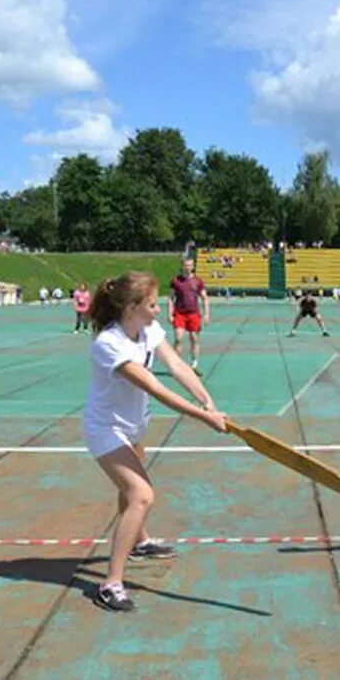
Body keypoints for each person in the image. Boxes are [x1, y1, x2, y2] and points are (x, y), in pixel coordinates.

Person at [83, 271, 228, 612]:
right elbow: (154, 387)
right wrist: (204, 417)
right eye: (151, 304)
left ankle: (140, 542)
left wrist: (207, 399)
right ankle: (111, 583)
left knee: (129, 489)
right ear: (132, 307)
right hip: (105, 429)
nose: (159, 310)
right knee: (141, 494)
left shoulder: (147, 330)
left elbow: (176, 365)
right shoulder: (109, 344)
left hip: (133, 425)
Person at [168, 257, 209, 376]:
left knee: (194, 338)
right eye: (186, 265)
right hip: (179, 314)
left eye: (190, 265)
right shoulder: (176, 281)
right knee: (178, 338)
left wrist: (206, 314)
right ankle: (177, 366)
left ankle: (194, 364)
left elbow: (204, 298)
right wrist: (170, 313)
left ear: (193, 266)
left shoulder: (198, 281)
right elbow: (171, 297)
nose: (187, 267)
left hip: (193, 314)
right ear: (182, 266)